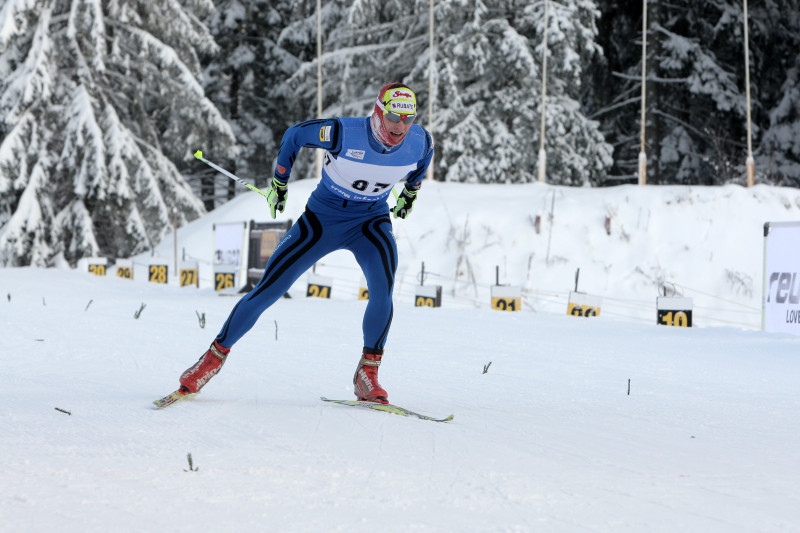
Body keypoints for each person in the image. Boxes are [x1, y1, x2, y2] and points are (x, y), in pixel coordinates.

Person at [177, 83, 434, 404]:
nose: (400, 126)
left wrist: (411, 192)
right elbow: (295, 134)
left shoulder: (418, 141)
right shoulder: (343, 132)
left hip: (370, 222)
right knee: (267, 290)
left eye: (408, 119)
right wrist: (280, 181)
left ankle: (367, 373)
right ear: (379, 111)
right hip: (322, 220)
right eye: (394, 116)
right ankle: (211, 360)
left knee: (383, 292)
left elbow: (425, 158)